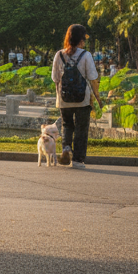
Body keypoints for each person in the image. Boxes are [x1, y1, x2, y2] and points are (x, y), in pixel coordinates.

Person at [52, 23, 102, 169]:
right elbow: (93, 78)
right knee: (81, 128)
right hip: (83, 99)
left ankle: (66, 148)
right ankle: (78, 160)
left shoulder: (59, 55)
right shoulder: (86, 55)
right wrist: (97, 98)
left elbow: (55, 79)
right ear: (81, 39)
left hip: (64, 99)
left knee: (67, 125)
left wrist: (59, 97)